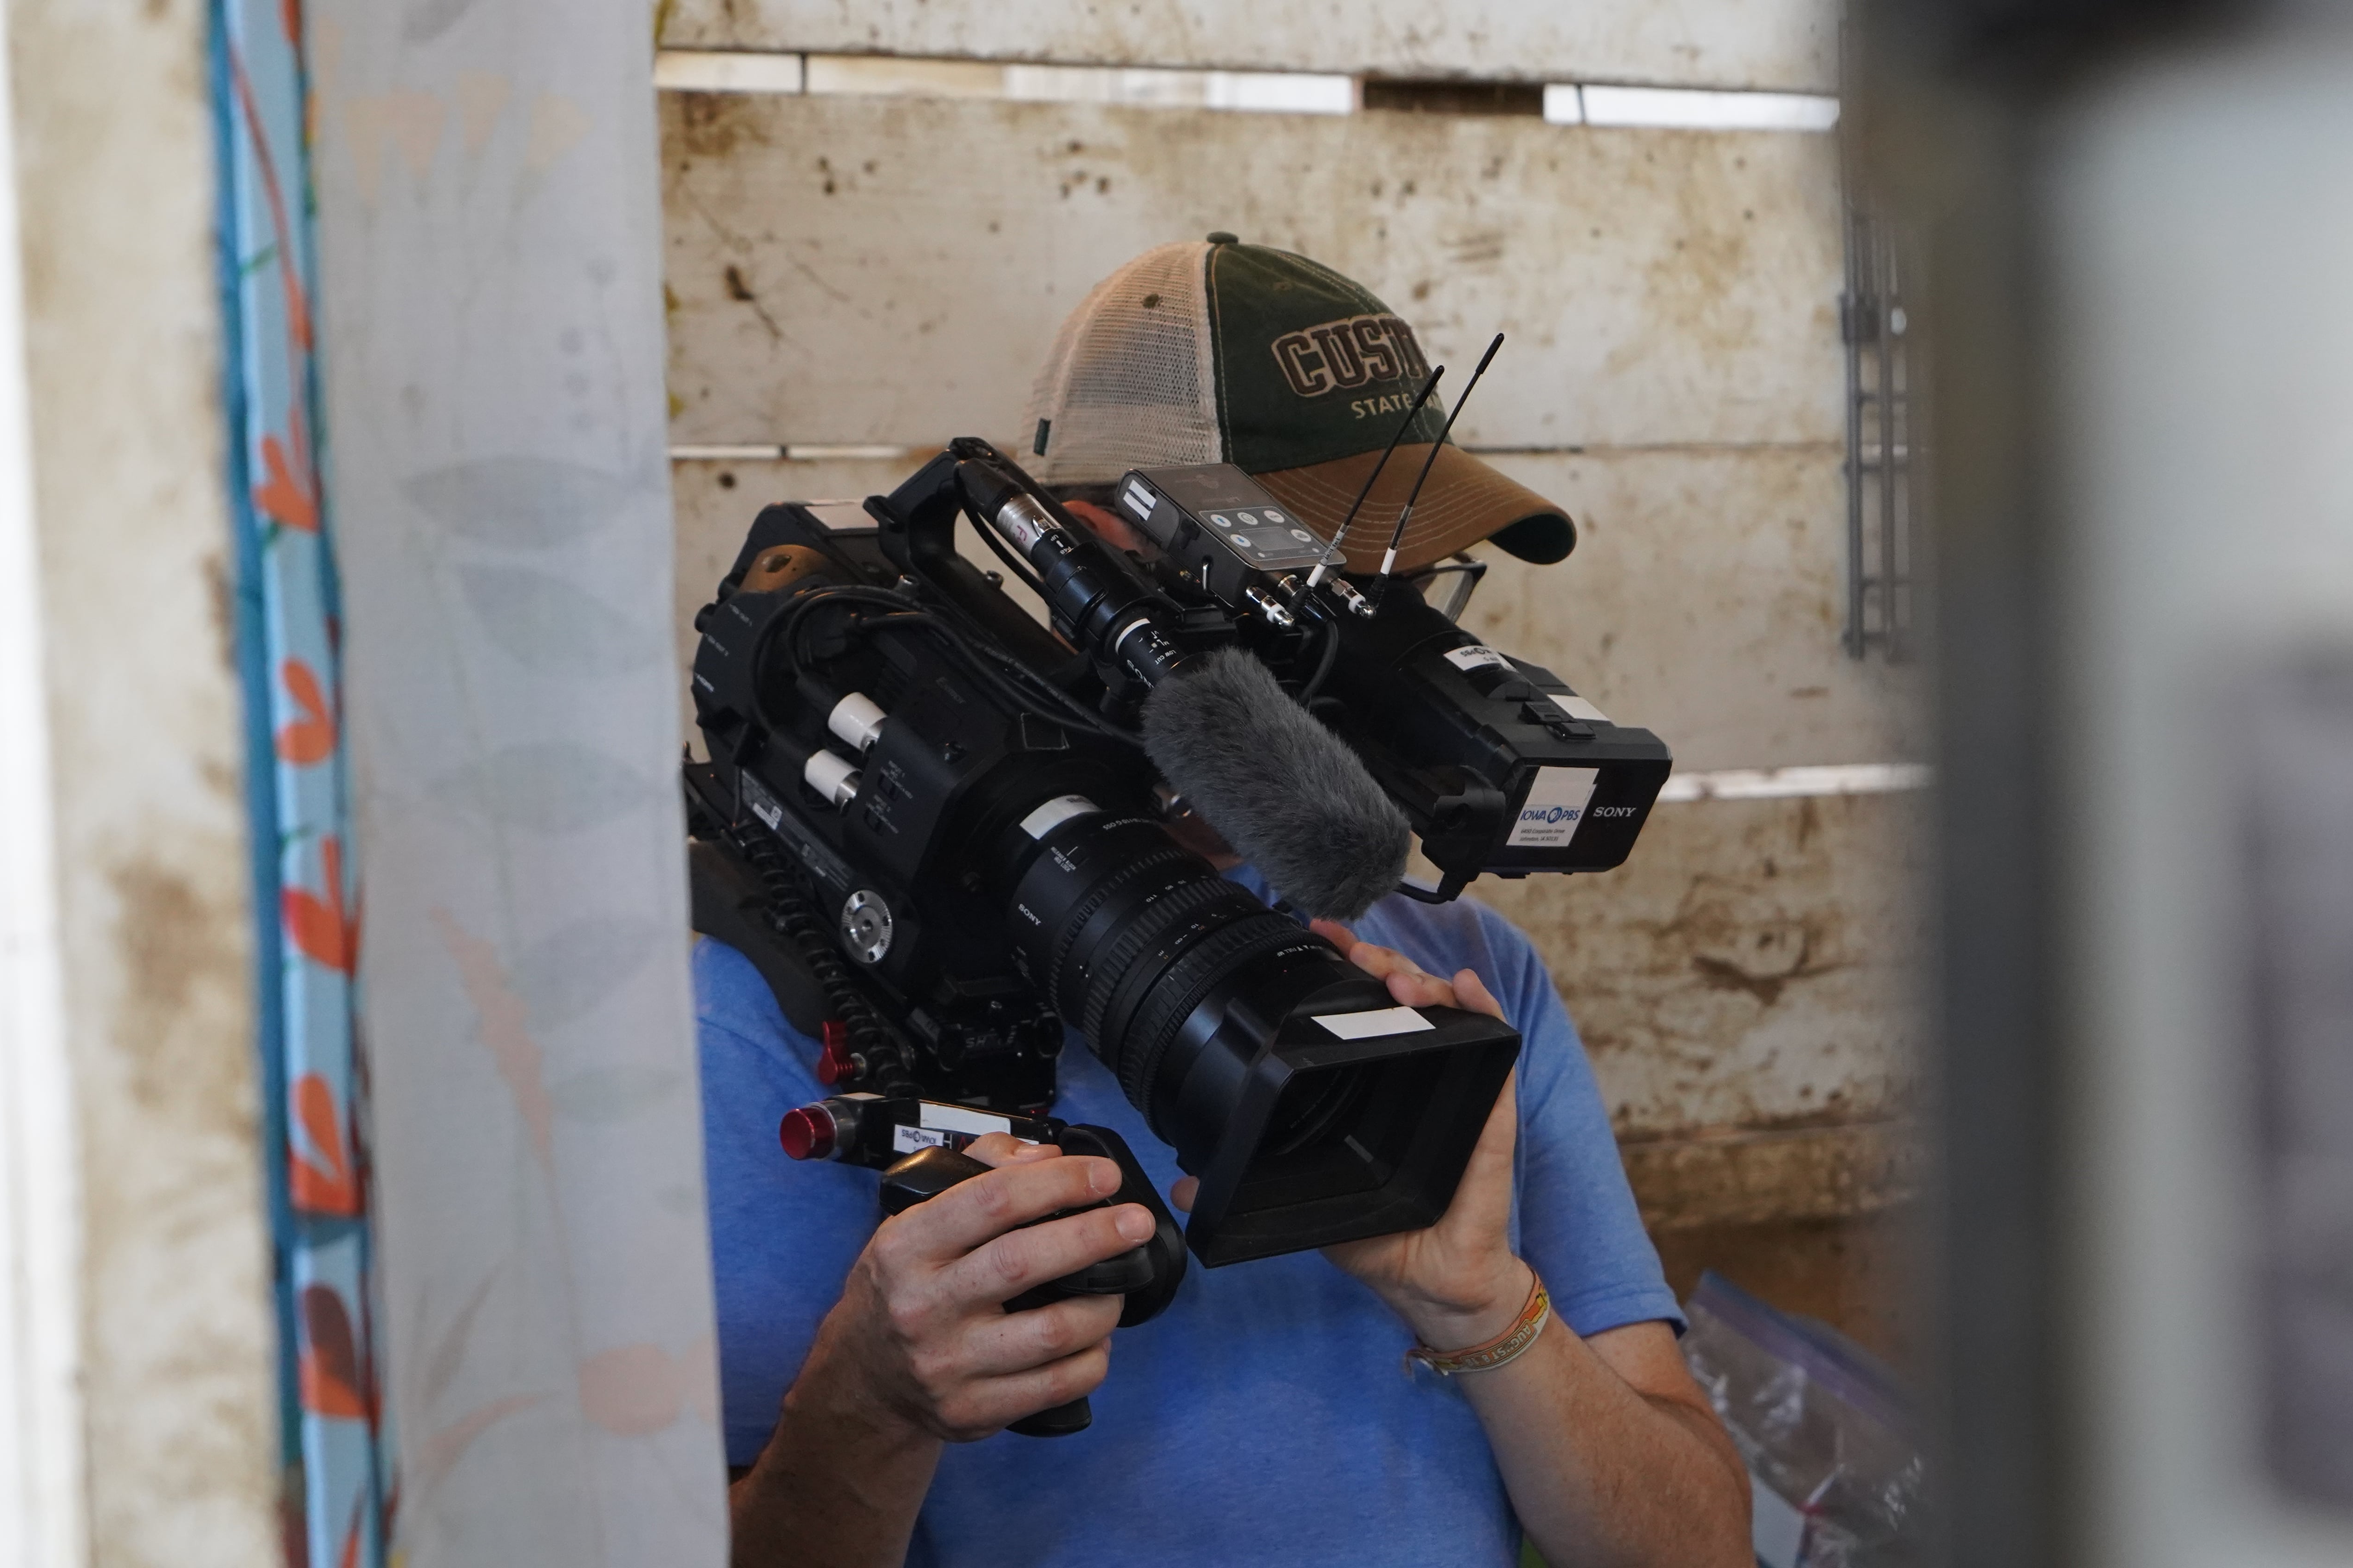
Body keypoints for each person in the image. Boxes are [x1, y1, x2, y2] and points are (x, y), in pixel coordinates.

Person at [697, 235, 1752, 1567]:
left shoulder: (1462, 981)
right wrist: (869, 1408)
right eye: (1329, 592)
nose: (1394, 647)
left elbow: (1697, 1549)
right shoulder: (780, 1009)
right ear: (1104, 555)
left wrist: (1486, 1308)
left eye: (1415, 590)